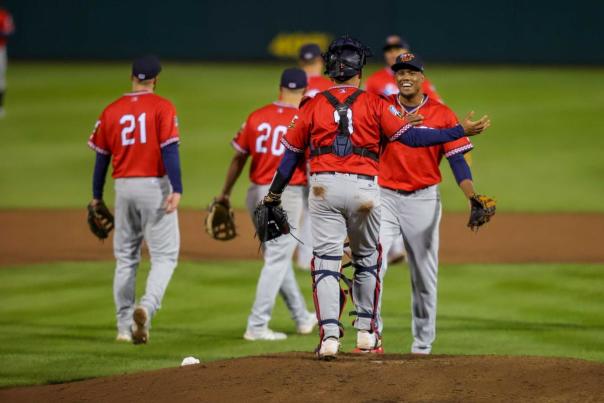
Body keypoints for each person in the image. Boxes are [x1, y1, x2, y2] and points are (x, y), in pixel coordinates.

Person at [260, 35, 489, 360]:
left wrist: (273, 195)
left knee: (326, 262)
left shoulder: (312, 103)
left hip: (326, 187)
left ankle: (329, 337)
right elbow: (410, 137)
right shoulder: (376, 104)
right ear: (361, 70)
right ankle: (368, 332)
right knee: (368, 260)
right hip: (369, 191)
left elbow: (290, 156)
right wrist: (457, 131)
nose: (405, 76)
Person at [377, 53, 488, 354]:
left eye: (411, 71)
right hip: (383, 197)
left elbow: (457, 160)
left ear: (422, 78)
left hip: (423, 199)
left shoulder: (441, 113)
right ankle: (371, 336)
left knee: (424, 274)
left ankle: (422, 345)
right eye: (400, 72)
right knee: (372, 266)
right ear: (395, 77)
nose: (405, 77)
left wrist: (471, 195)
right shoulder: (383, 108)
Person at [215, 67, 317, 341]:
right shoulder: (304, 118)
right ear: (305, 91)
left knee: (276, 256)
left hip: (256, 193)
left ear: (280, 88)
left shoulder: (257, 117)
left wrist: (225, 193)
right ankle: (257, 326)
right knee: (276, 258)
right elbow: (310, 163)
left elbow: (238, 158)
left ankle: (301, 317)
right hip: (286, 194)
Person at [87, 56, 183, 344]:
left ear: (132, 77)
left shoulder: (111, 110)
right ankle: (147, 307)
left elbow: (101, 159)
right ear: (155, 79)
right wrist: (176, 187)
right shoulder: (162, 106)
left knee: (126, 259)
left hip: (123, 187)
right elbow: (169, 150)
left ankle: (122, 327)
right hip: (155, 187)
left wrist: (95, 196)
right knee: (164, 257)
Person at [365, 35, 441, 103]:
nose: (393, 54)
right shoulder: (373, 80)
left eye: (397, 49)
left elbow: (438, 105)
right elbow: (365, 107)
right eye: (389, 51)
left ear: (406, 51)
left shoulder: (418, 79)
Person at [0, 2, 15, 117]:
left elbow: (9, 31)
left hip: (0, 49)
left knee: (0, 78)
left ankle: (0, 107)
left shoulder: (3, 15)